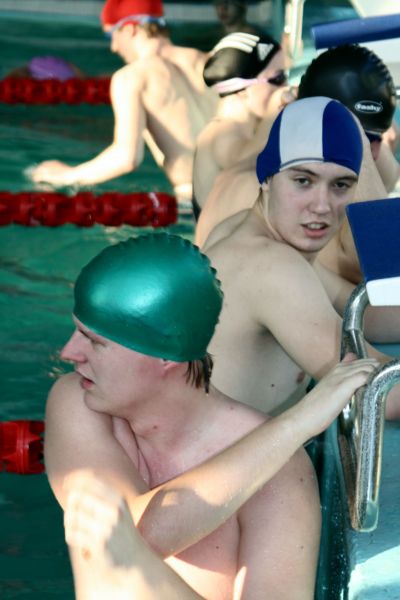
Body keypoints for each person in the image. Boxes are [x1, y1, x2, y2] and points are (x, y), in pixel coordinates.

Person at [44, 232, 379, 600]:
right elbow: (132, 538)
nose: (68, 352)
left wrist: (289, 435)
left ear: (166, 355)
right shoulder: (78, 400)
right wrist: (296, 425)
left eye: (94, 341)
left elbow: (127, 552)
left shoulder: (282, 474)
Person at [202, 96, 400, 419]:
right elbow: (383, 393)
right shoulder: (272, 268)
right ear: (267, 178)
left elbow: (371, 316)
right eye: (303, 181)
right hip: (233, 450)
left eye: (340, 185)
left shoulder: (244, 230)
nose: (322, 206)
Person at [195, 43, 397, 263]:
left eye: (374, 141)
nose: (374, 151)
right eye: (363, 141)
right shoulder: (282, 196)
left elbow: (389, 177)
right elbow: (385, 262)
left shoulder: (275, 168)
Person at [28, 0, 218, 206]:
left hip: (198, 201)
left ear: (129, 29)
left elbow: (126, 157)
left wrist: (66, 176)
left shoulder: (131, 78)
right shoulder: (208, 60)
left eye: (112, 35)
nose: (114, 47)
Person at [192, 31, 288, 217]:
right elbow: (249, 162)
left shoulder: (248, 132)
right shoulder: (220, 131)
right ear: (242, 89)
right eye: (278, 78)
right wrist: (275, 111)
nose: (285, 87)